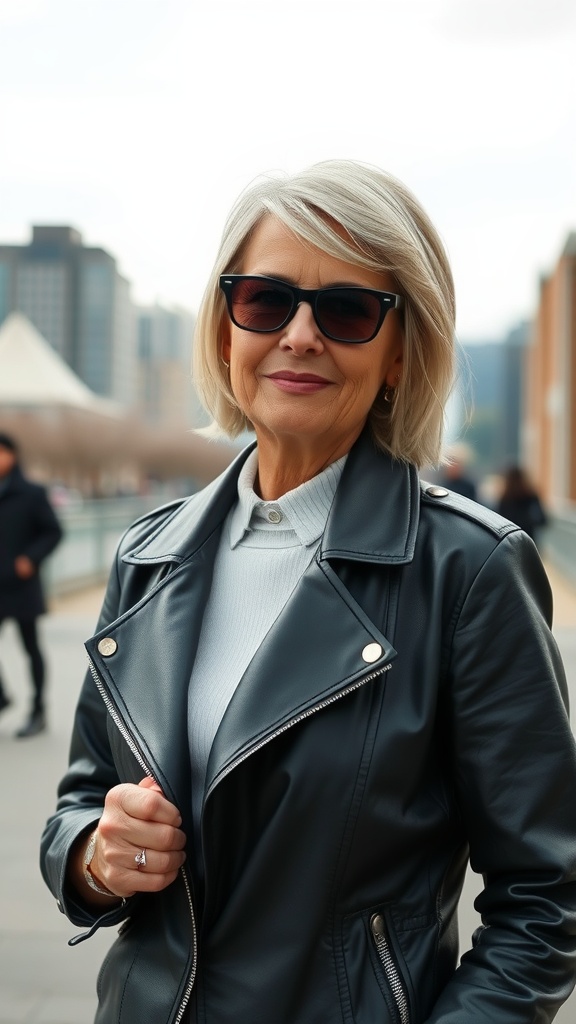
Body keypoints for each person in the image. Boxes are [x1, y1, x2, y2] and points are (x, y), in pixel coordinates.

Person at [40, 161, 576, 1024]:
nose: (298, 335)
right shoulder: (149, 553)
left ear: (399, 352)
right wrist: (97, 859)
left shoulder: (470, 571)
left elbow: (547, 900)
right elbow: (80, 803)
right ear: (225, 331)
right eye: (265, 300)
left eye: (347, 310)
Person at [0, 432, 63, 737]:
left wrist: (31, 558)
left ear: (12, 455)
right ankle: (2, 697)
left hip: (22, 584)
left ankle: (38, 711)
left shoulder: (32, 493)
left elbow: (53, 531)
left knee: (30, 648)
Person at [498, 464, 548, 544]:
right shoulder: (531, 497)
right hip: (528, 540)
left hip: (510, 541)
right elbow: (542, 520)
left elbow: (500, 521)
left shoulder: (505, 499)